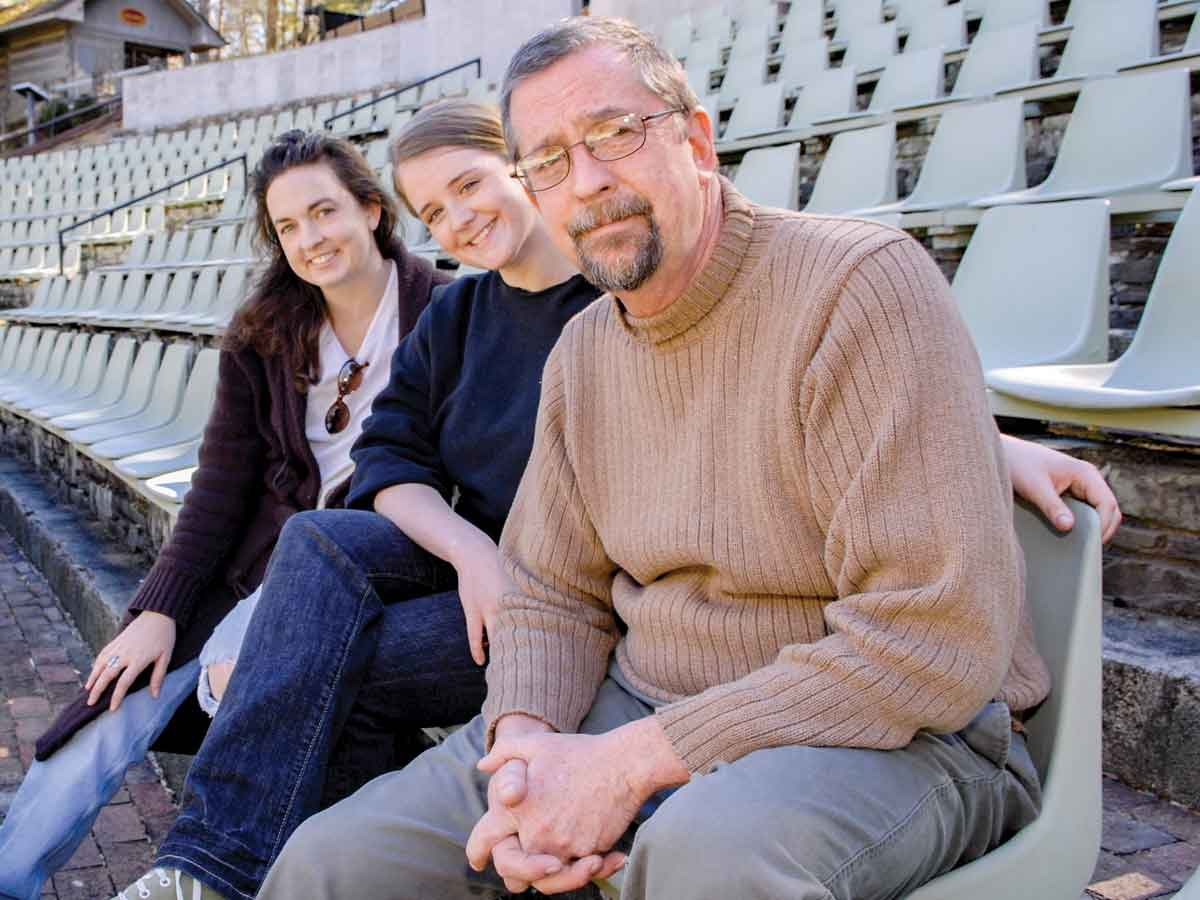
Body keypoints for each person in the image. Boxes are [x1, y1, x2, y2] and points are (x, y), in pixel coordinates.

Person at [113, 98, 1116, 900]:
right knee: (323, 590)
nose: (463, 219)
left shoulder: (639, 271)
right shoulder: (476, 315)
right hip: (547, 609)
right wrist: (516, 713)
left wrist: (983, 439)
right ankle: (222, 864)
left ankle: (216, 860)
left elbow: (786, 339)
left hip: (732, 661)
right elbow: (393, 472)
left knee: (324, 663)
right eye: (441, 210)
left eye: (475, 184)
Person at [0, 131, 450, 900]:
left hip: (362, 569)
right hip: (250, 570)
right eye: (288, 226)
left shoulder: (447, 313)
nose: (310, 239)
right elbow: (220, 484)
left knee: (240, 673)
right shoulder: (263, 333)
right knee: (111, 701)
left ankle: (202, 873)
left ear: (372, 209)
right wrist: (158, 609)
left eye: (324, 212)